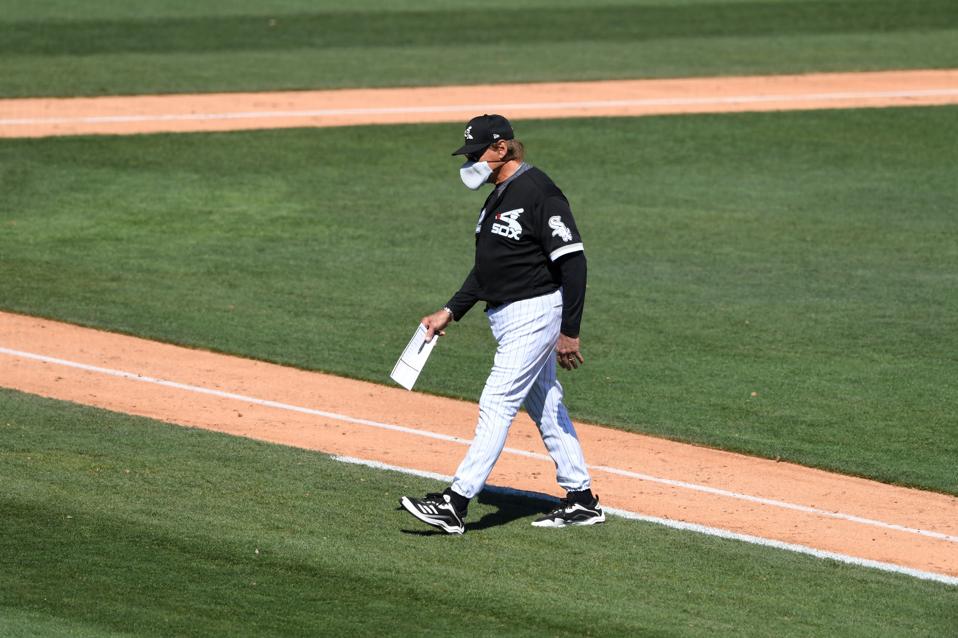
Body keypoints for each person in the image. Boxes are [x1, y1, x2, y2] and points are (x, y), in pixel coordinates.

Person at [399, 114, 605, 534]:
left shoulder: (539, 192)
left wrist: (570, 330)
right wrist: (450, 311)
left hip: (535, 313)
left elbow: (574, 262)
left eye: (476, 153)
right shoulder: (498, 194)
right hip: (510, 315)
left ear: (501, 149)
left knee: (497, 403)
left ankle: (455, 504)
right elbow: (488, 268)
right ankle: (582, 499)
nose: (471, 160)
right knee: (544, 404)